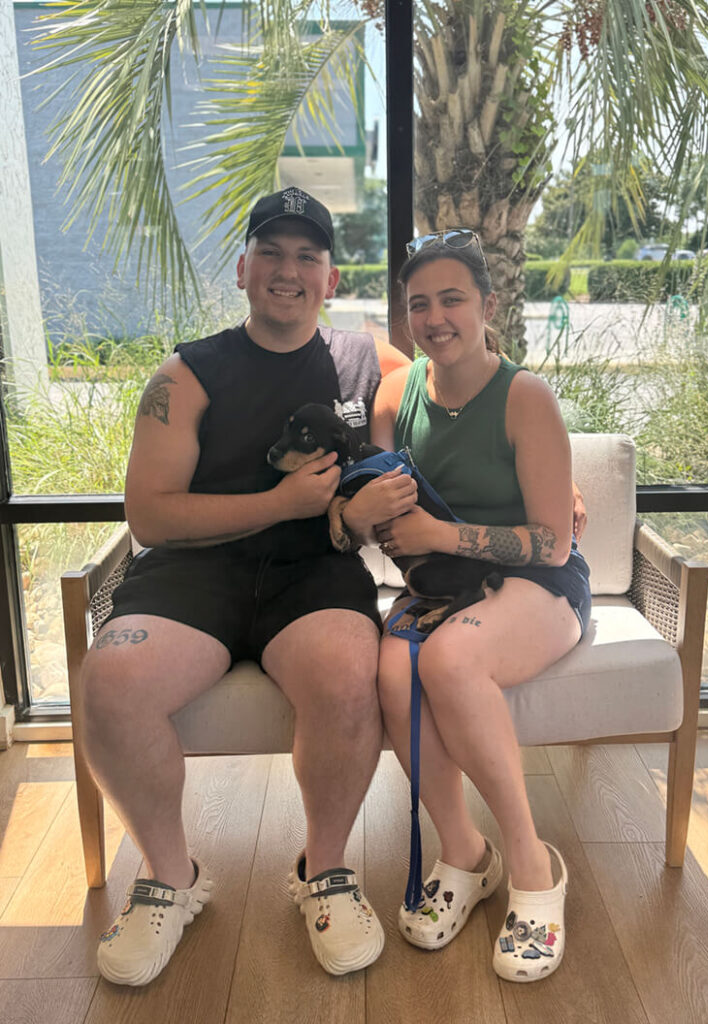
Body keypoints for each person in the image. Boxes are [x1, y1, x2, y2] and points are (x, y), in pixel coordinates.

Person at [82, 187, 417, 986]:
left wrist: (534, 481)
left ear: (332, 280)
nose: (288, 270)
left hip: (314, 572)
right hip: (194, 572)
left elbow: (455, 386)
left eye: (308, 256)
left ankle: (326, 870)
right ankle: (170, 878)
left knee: (346, 676)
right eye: (271, 251)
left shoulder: (365, 358)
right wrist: (276, 503)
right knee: (111, 681)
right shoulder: (188, 372)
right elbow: (150, 517)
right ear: (242, 269)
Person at [343, 228, 592, 983]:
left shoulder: (525, 397)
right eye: (418, 304)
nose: (435, 317)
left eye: (453, 299)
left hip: (540, 584)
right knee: (392, 672)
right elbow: (380, 495)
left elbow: (552, 544)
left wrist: (439, 533)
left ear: (488, 305)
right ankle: (464, 853)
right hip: (442, 584)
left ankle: (531, 867)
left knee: (449, 659)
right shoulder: (397, 390)